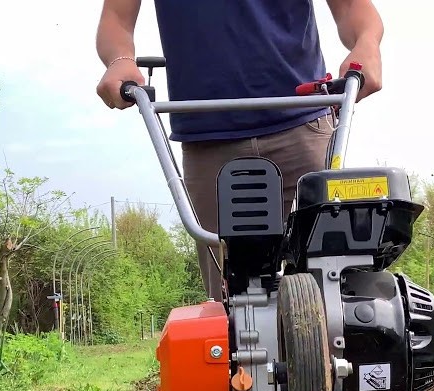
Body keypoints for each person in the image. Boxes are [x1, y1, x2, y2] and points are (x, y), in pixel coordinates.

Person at [95, 0, 385, 302]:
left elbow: (352, 6)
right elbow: (116, 18)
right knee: (227, 308)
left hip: (303, 126)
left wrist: (366, 42)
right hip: (209, 143)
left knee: (330, 290)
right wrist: (119, 60)